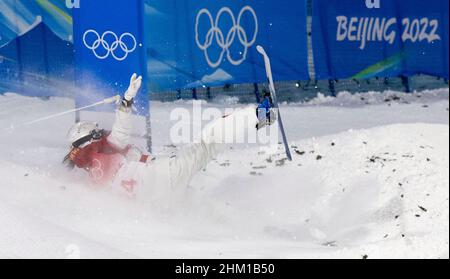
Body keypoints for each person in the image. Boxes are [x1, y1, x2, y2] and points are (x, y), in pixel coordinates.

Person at [63, 73, 276, 200]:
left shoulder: (93, 173)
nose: (102, 133)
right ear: (90, 140)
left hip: (159, 197)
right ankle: (262, 115)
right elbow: (120, 134)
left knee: (199, 188)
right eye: (97, 133)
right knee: (210, 138)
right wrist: (126, 103)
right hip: (166, 175)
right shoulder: (103, 150)